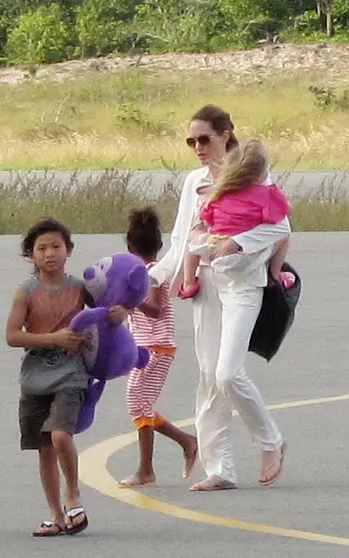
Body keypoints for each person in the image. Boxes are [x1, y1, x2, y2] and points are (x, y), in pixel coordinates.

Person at [150, 105, 291, 491]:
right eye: (191, 141)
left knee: (228, 373)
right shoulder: (195, 182)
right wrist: (157, 277)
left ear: (226, 134)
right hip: (205, 283)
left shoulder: (252, 173)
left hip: (243, 280)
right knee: (209, 376)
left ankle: (270, 440)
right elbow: (183, 240)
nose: (197, 147)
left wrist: (237, 244)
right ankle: (220, 468)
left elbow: (280, 228)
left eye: (204, 139)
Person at [5, 218, 101, 537]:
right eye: (42, 248)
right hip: (35, 379)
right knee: (44, 447)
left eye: (56, 247)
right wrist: (53, 339)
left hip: (71, 376)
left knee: (61, 435)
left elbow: (105, 309)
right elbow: (13, 336)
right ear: (31, 256)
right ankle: (55, 514)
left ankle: (73, 497)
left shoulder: (79, 288)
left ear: (69, 250)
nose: (50, 254)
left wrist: (120, 312)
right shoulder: (26, 292)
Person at [117, 207, 199, 487]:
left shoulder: (150, 273)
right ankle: (185, 442)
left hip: (156, 346)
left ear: (129, 246)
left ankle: (147, 468)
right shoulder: (145, 271)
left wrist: (129, 301)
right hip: (148, 346)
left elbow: (154, 309)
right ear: (160, 245)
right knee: (141, 404)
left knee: (138, 403)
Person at [177, 139, 295, 300]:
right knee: (284, 236)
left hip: (215, 240)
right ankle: (274, 275)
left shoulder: (220, 193)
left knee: (192, 236)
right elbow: (282, 217)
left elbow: (206, 218)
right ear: (260, 174)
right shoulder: (267, 194)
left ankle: (189, 281)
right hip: (241, 247)